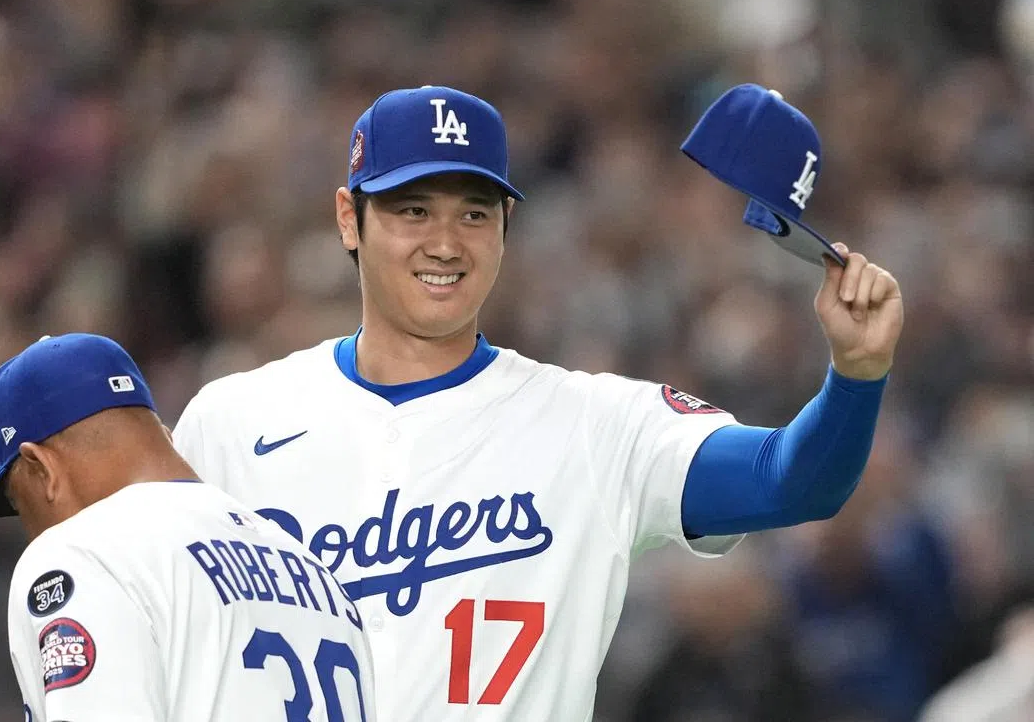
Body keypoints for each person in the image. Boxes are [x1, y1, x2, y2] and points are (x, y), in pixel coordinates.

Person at [173, 85, 904, 721]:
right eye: (412, 209)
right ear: (348, 219)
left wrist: (857, 374)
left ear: (506, 228)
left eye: (475, 213)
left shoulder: (593, 425)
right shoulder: (232, 423)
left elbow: (794, 479)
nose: (445, 242)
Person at [0, 333, 375, 722]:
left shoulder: (82, 552)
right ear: (162, 435)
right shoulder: (314, 572)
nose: (30, 529)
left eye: (19, 503)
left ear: (41, 467)